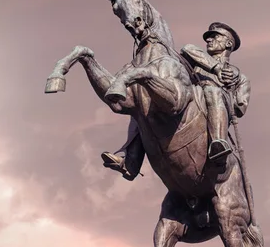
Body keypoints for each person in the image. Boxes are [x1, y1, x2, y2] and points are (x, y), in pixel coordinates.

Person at [101, 22, 251, 180]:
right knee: (147, 108)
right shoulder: (196, 61)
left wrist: (230, 87)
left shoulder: (240, 78)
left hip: (211, 114)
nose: (209, 40)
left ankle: (218, 144)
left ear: (228, 43)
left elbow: (239, 108)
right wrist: (215, 68)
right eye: (208, 37)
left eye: (215, 37)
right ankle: (131, 161)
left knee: (213, 92)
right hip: (189, 109)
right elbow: (187, 48)